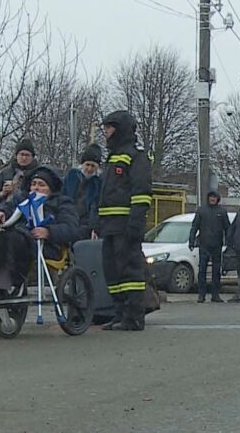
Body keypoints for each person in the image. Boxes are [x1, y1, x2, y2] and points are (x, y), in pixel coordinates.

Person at [0, 166, 82, 304]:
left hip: (47, 245)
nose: (36, 188)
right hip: (20, 237)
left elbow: (71, 229)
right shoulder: (22, 199)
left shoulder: (62, 203)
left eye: (41, 185)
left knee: (14, 239)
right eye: (33, 184)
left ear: (51, 189)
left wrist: (49, 231)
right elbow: (7, 207)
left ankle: (0, 286)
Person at [98, 111, 153, 331]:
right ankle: (119, 314)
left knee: (130, 271)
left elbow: (141, 193)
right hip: (110, 226)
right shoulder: (112, 157)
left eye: (109, 128)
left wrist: (135, 224)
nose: (105, 132)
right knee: (113, 271)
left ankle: (134, 316)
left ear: (120, 129)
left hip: (125, 225)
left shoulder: (136, 156)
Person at [189, 191, 231, 303]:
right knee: (202, 270)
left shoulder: (222, 212)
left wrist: (229, 243)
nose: (212, 199)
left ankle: (215, 295)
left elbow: (228, 228)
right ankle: (201, 295)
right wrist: (191, 241)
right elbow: (194, 226)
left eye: (214, 197)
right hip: (204, 245)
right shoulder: (201, 210)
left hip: (217, 246)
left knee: (216, 271)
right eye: (211, 197)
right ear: (208, 198)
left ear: (218, 199)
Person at [63, 144, 103, 239]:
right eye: (87, 165)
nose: (89, 169)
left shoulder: (99, 183)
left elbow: (97, 208)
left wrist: (95, 228)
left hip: (86, 225)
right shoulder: (71, 177)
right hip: (68, 219)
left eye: (93, 166)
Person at [0, 139, 40, 206]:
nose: (24, 158)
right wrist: (2, 193)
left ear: (32, 157)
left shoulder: (39, 173)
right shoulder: (5, 173)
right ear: (16, 155)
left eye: (27, 155)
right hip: (6, 211)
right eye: (22, 154)